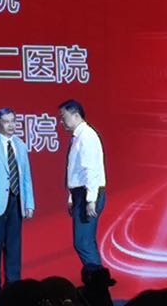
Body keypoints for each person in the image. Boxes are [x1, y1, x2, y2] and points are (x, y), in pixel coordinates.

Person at [0, 107, 34, 300]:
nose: (11, 125)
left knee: (13, 246)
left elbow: (26, 176)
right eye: (6, 121)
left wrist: (29, 203)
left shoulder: (20, 145)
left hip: (16, 201)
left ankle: (13, 287)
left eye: (13, 121)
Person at [58, 99, 106, 270]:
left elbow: (90, 169)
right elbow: (76, 171)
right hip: (81, 193)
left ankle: (98, 279)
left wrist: (91, 199)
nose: (61, 121)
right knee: (85, 242)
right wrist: (72, 197)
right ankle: (97, 279)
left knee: (83, 242)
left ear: (76, 115)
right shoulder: (78, 137)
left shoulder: (87, 136)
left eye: (63, 117)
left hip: (88, 193)